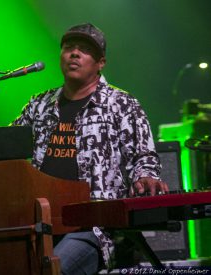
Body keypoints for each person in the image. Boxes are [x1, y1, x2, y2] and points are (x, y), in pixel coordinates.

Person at [11, 23, 169, 274]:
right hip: (39, 223)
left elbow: (144, 156)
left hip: (93, 229)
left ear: (100, 63)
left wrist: (145, 176)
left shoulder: (122, 104)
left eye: (84, 50)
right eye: (68, 48)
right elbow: (4, 145)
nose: (74, 53)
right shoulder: (39, 104)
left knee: (52, 271)